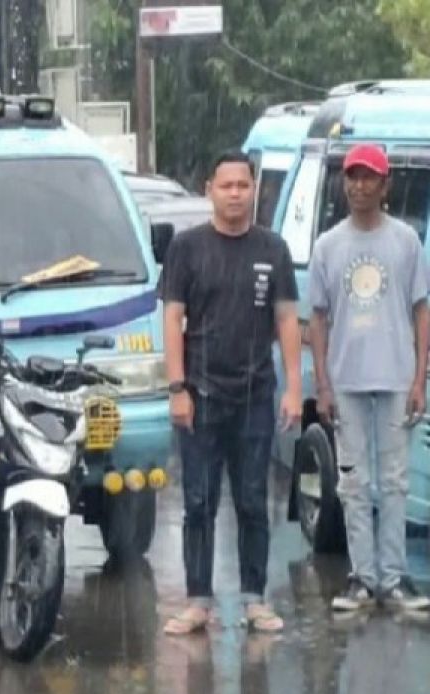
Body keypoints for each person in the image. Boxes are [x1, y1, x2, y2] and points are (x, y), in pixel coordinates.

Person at [159, 151, 302, 635]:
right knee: (198, 501)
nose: (236, 193)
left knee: (252, 499)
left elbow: (286, 320)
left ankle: (254, 598)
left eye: (244, 185)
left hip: (255, 394)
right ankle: (198, 600)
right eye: (227, 186)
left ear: (254, 191)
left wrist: (293, 389)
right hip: (200, 396)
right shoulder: (187, 249)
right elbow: (173, 319)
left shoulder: (273, 249)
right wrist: (177, 387)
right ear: (210, 190)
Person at [309, 144, 430, 613]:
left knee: (395, 481)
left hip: (398, 377)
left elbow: (421, 311)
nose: (360, 185)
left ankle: (394, 578)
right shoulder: (328, 245)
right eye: (353, 177)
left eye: (370, 177)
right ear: (345, 183)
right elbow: (317, 320)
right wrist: (322, 382)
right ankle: (361, 577)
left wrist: (420, 377)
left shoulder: (405, 241)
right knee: (353, 483)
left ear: (385, 185)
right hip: (347, 380)